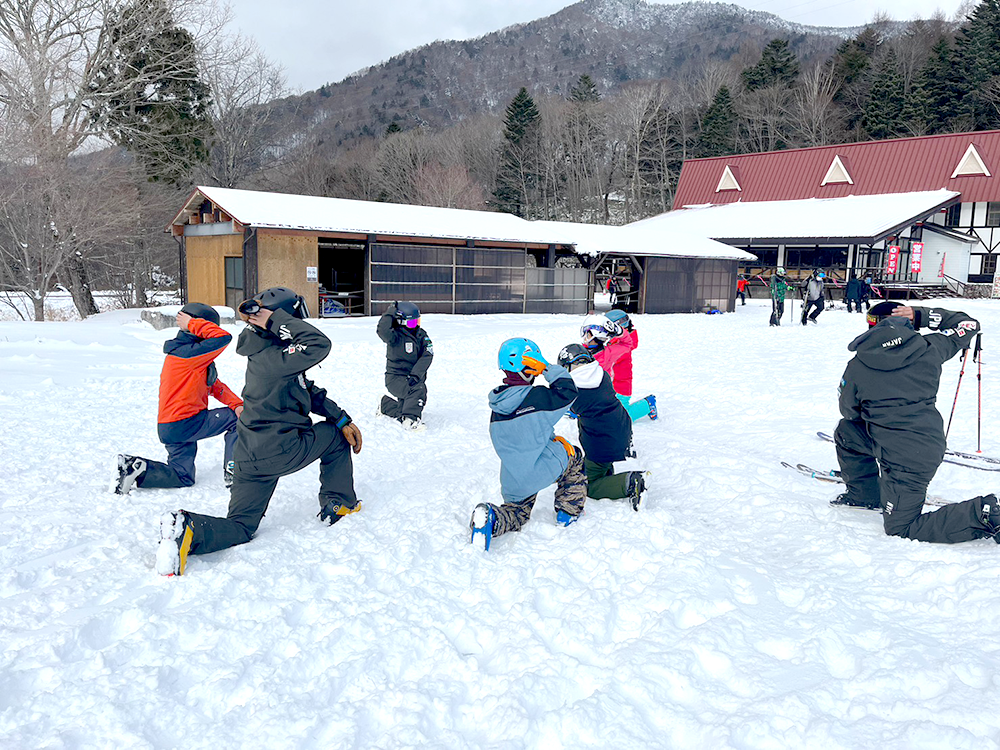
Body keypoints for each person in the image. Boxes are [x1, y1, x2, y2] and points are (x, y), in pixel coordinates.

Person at [155, 287, 364, 576]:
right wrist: (273, 319)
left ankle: (187, 529)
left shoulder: (266, 352)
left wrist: (340, 415)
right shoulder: (278, 356)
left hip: (249, 457)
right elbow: (319, 343)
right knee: (332, 436)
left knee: (241, 526)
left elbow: (306, 389)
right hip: (281, 451)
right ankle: (339, 503)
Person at [833, 301, 999, 544]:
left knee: (901, 528)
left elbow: (849, 411)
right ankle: (865, 495)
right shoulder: (930, 347)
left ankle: (983, 513)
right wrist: (921, 315)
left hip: (908, 460)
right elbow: (968, 325)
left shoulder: (857, 365)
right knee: (848, 433)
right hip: (923, 444)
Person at [112, 303, 243, 495]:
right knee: (237, 419)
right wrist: (192, 323)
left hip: (170, 427)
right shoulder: (190, 354)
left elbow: (215, 386)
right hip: (186, 422)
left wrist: (238, 404)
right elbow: (223, 338)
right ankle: (235, 472)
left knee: (183, 476)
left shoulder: (184, 355)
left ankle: (136, 468)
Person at [469, 338, 586, 551]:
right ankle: (568, 511)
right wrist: (547, 369)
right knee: (575, 457)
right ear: (530, 366)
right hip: (540, 467)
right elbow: (568, 391)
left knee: (516, 514)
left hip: (513, 476)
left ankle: (491, 518)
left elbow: (523, 437)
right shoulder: (537, 397)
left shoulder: (498, 406)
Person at [557, 344, 646, 510]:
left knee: (589, 485)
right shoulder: (601, 374)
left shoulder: (574, 390)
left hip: (602, 440)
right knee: (598, 464)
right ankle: (607, 474)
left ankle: (630, 482)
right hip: (620, 425)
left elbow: (563, 402)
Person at [376, 301, 433, 431]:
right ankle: (410, 420)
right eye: (411, 323)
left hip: (412, 377)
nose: (415, 326)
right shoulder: (394, 336)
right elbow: (382, 330)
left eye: (417, 321)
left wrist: (415, 374)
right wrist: (390, 312)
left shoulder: (421, 335)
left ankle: (385, 404)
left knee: (405, 407)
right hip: (395, 379)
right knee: (418, 390)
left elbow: (427, 355)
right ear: (401, 322)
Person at [602, 309, 657, 422]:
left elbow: (608, 359)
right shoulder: (614, 342)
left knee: (621, 419)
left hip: (620, 386)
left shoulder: (623, 347)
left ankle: (647, 404)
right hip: (609, 385)